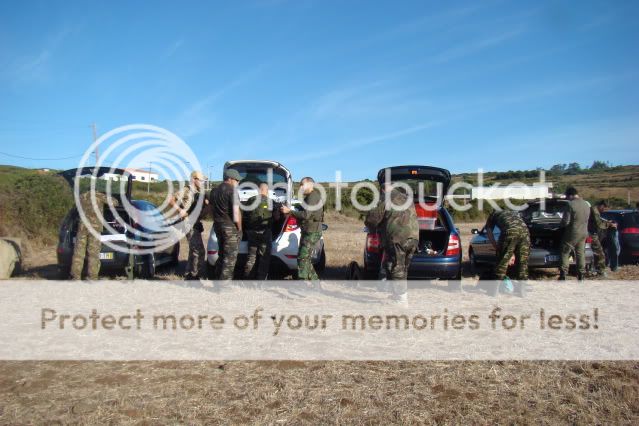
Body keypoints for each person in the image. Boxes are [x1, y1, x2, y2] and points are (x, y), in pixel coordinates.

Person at [364, 182, 419, 303]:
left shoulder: (386, 198)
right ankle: (397, 295)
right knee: (403, 268)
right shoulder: (407, 199)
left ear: (383, 190)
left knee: (396, 268)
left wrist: (372, 227)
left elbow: (372, 218)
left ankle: (402, 300)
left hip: (397, 238)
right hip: (414, 238)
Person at [280, 177, 324, 284]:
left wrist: (290, 211)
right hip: (308, 231)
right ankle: (315, 283)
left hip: (311, 232)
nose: (300, 187)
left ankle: (303, 283)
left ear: (309, 184)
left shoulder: (312, 197)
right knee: (305, 258)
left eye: (302, 184)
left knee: (302, 258)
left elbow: (306, 215)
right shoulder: (309, 197)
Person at [169, 170, 208, 280]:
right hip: (187, 222)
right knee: (198, 250)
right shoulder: (186, 190)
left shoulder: (200, 192)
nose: (202, 183)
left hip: (195, 222)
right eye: (201, 180)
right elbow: (171, 200)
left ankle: (189, 273)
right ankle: (194, 275)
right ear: (194, 179)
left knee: (193, 250)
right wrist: (180, 210)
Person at [71, 190, 117, 280]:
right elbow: (115, 203)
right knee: (93, 254)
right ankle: (92, 277)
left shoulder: (81, 196)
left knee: (78, 254)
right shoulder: (99, 196)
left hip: (82, 228)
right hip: (95, 229)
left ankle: (75, 277)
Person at [243, 182, 279, 280]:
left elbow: (244, 216)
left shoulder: (250, 200)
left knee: (251, 255)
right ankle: (261, 279)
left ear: (259, 190)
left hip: (251, 232)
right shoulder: (271, 202)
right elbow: (277, 217)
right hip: (265, 232)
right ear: (267, 191)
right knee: (264, 257)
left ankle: (248, 278)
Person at [211, 169, 242, 281]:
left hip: (218, 226)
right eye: (237, 180)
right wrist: (239, 228)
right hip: (229, 228)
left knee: (222, 254)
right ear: (230, 179)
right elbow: (236, 213)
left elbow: (211, 209)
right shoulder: (232, 191)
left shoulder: (214, 191)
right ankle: (224, 286)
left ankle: (217, 280)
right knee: (230, 258)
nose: (238, 183)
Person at [484, 209, 530, 283]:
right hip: (525, 232)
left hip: (510, 231)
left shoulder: (493, 215)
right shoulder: (512, 212)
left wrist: (496, 247)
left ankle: (494, 291)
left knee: (502, 261)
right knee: (522, 262)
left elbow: (489, 232)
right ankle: (522, 291)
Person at [559, 187, 590, 281]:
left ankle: (563, 273)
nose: (568, 199)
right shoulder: (586, 204)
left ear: (570, 195)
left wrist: (559, 225)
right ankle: (581, 274)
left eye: (568, 197)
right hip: (584, 232)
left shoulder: (571, 205)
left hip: (572, 233)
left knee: (565, 252)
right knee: (580, 253)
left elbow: (566, 221)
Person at [588, 200, 617, 277]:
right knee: (600, 253)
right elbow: (599, 224)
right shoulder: (595, 211)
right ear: (601, 205)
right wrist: (609, 224)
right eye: (604, 208)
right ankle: (601, 270)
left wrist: (607, 222)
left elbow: (600, 221)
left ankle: (596, 269)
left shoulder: (593, 210)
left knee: (595, 253)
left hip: (591, 234)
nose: (604, 210)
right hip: (591, 234)